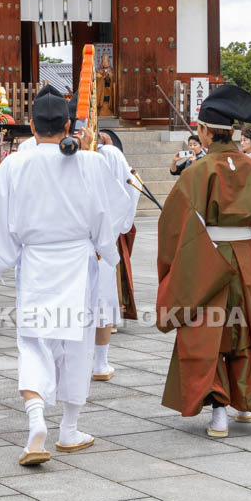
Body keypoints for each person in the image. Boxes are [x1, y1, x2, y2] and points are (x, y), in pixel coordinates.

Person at [0, 85, 119, 466]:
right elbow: (107, 216)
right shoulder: (90, 162)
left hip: (36, 262)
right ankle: (69, 428)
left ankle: (36, 422)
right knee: (76, 343)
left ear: (32, 128)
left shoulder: (16, 163)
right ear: (68, 125)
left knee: (34, 341)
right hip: (76, 262)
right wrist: (107, 250)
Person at [156, 84, 251, 438]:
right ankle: (246, 402)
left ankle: (219, 414)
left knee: (205, 332)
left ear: (205, 131)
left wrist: (173, 267)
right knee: (244, 327)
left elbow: (172, 226)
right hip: (244, 259)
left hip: (207, 259)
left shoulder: (197, 171)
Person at [92, 129, 140, 381]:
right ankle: (100, 363)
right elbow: (132, 187)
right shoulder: (108, 153)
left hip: (68, 243)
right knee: (101, 300)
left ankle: (92, 363)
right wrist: (120, 224)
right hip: (103, 238)